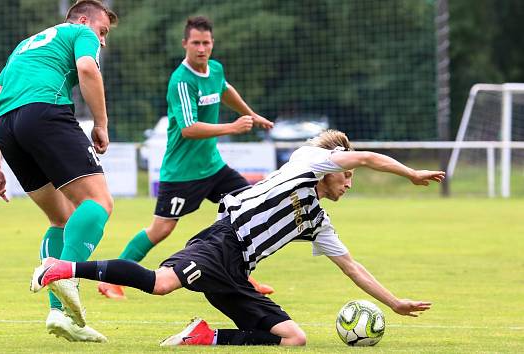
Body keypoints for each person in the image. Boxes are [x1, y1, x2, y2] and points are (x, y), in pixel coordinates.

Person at [31, 129, 445, 346]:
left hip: (238, 270)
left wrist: (395, 303)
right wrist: (410, 173)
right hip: (221, 241)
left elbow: (352, 266)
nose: (349, 183)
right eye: (347, 175)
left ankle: (205, 337)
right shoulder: (308, 162)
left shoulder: (317, 221)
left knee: (292, 339)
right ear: (333, 165)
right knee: (161, 284)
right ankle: (63, 268)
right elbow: (370, 157)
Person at [98, 15, 275, 300]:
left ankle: (242, 276)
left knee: (247, 210)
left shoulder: (215, 70)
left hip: (213, 167)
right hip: (182, 173)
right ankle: (112, 280)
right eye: (196, 43)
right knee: (161, 229)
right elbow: (189, 129)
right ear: (185, 44)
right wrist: (233, 126)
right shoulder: (181, 80)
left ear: (212, 43)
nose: (201, 49)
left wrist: (251, 114)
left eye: (206, 43)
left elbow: (225, 90)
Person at [0, 0, 117, 343]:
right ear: (84, 20)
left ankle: (60, 314)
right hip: (44, 111)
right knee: (99, 202)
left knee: (62, 219)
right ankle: (63, 274)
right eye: (102, 31)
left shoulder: (26, 45)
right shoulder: (79, 32)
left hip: (7, 126)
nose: (101, 40)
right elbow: (87, 69)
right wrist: (101, 124)